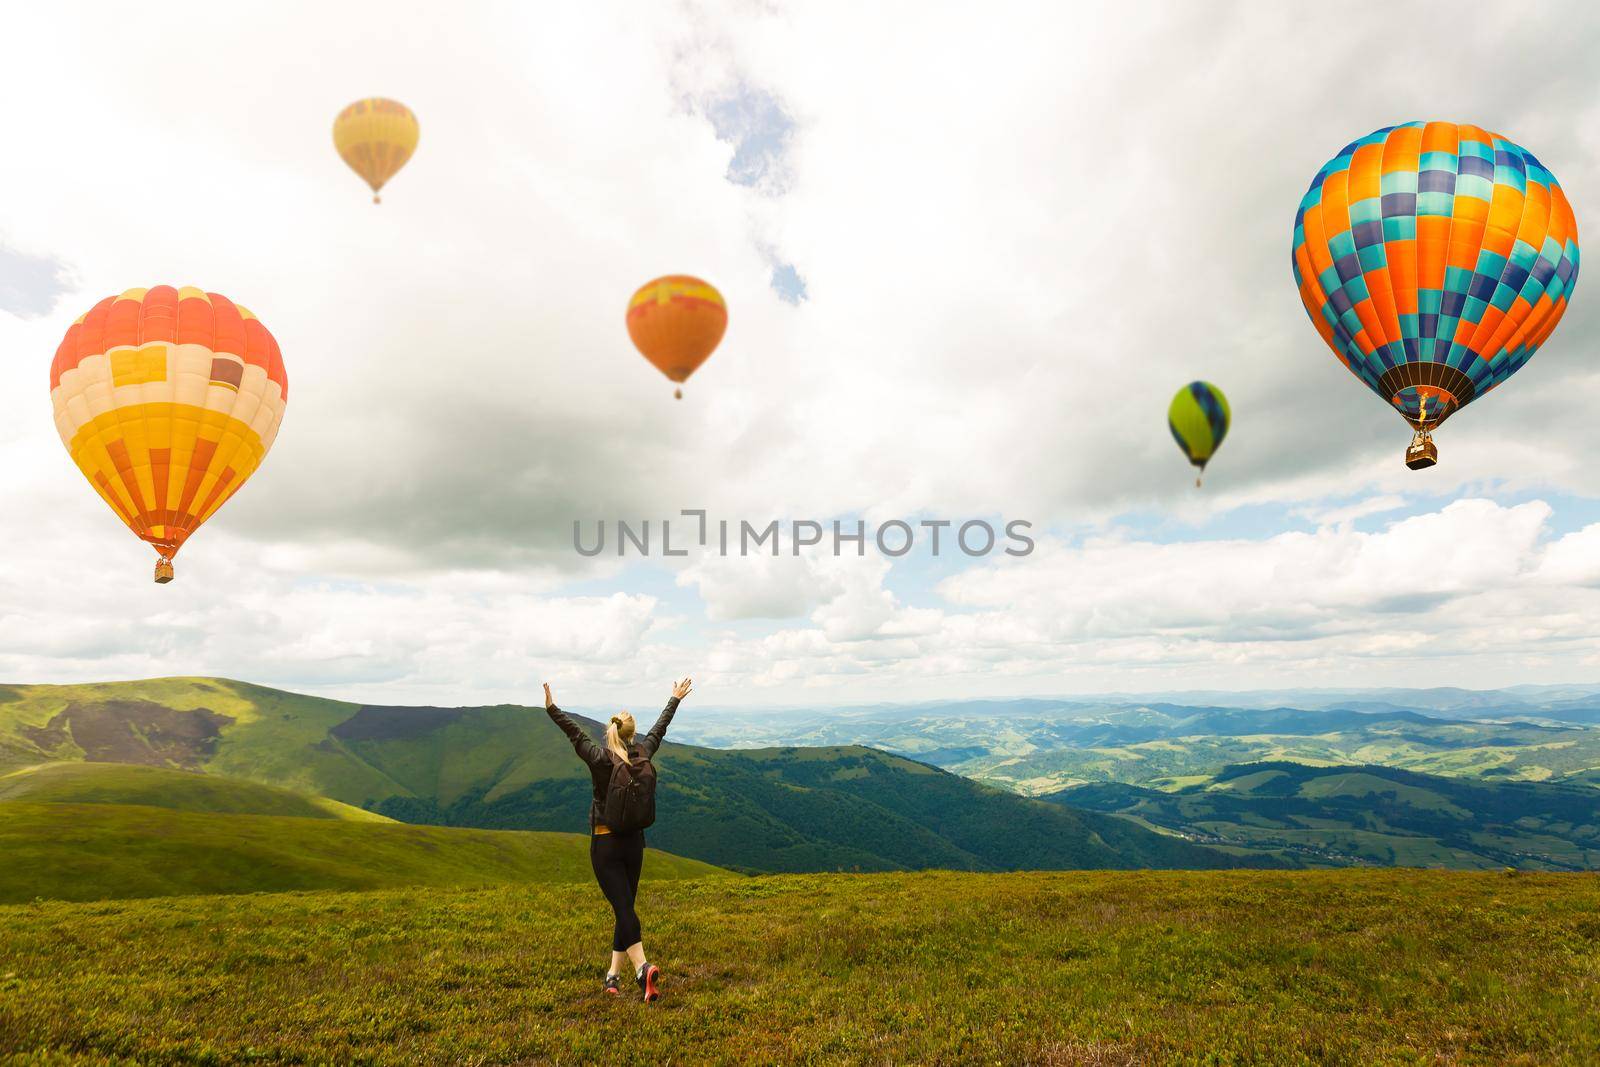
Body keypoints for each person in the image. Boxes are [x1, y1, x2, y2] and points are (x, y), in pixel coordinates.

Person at [543, 677, 691, 1002]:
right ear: (632, 734)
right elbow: (659, 731)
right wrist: (674, 698)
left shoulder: (599, 759)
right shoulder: (643, 753)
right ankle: (612, 976)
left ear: (611, 731)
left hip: (605, 843)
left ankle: (641, 969)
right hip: (634, 844)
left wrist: (552, 708)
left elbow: (574, 733)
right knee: (624, 908)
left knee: (623, 908)